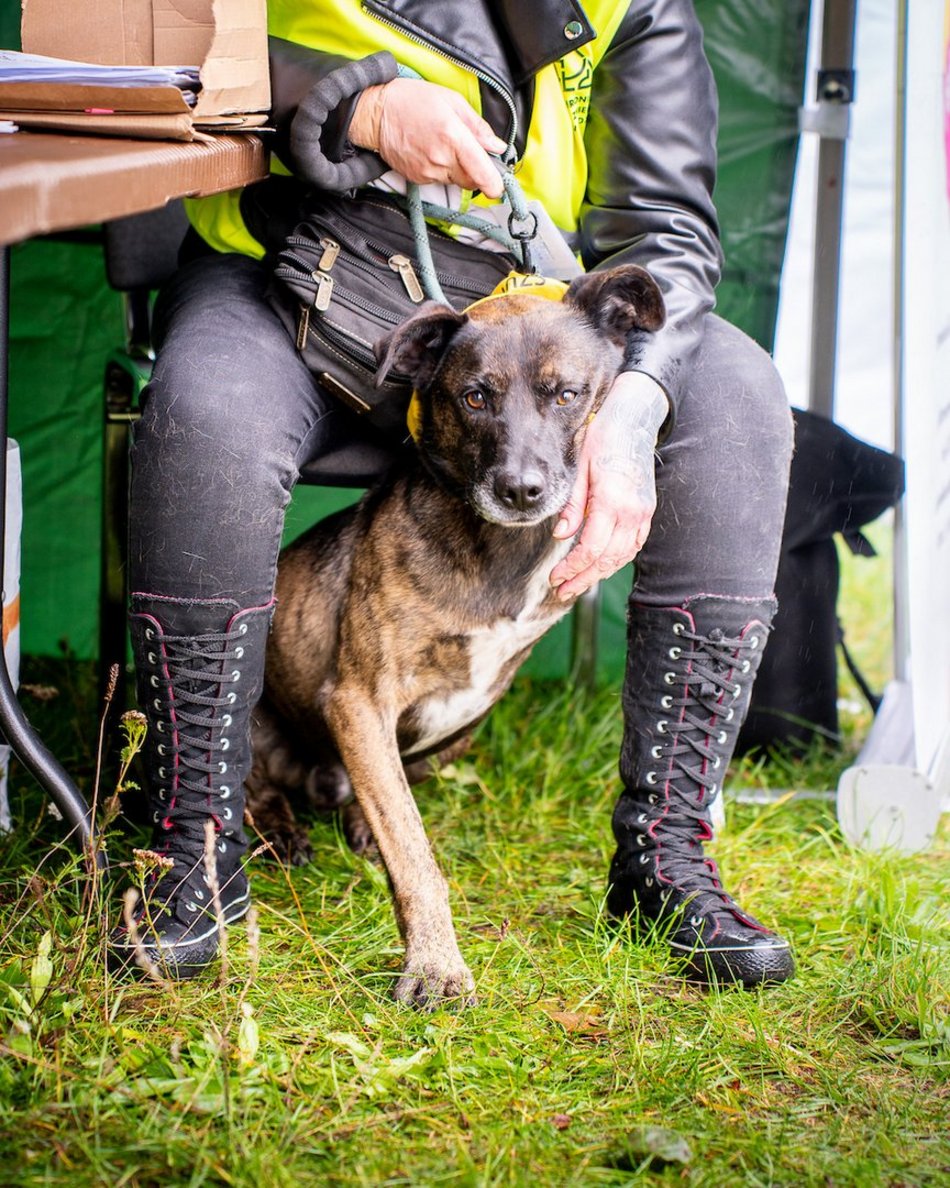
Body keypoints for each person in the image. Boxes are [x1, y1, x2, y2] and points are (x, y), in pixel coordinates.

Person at [108, 0, 796, 987]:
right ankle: (192, 843)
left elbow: (666, 234)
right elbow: (159, 44)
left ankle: (665, 857)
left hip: (519, 329)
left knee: (735, 397)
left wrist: (631, 408)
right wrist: (358, 107)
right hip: (293, 277)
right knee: (207, 410)